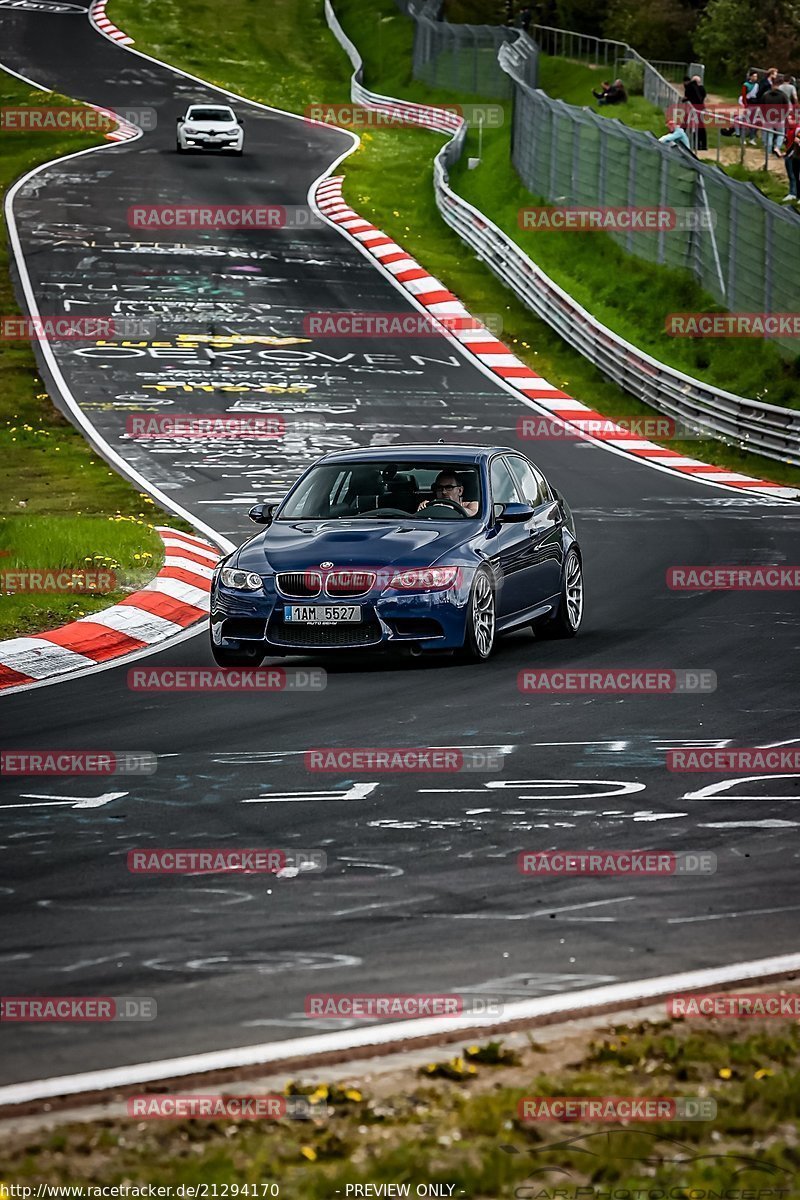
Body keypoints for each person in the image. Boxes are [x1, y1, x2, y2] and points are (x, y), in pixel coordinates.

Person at [683, 75, 707, 150]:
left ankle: (697, 143)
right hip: (700, 108)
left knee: (687, 124)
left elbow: (688, 97)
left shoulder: (690, 87)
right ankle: (702, 144)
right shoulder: (701, 88)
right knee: (700, 126)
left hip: (694, 108)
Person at [738, 70, 761, 145]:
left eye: (756, 76)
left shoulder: (757, 85)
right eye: (754, 76)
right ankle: (742, 138)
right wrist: (745, 105)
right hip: (748, 104)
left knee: (753, 122)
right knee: (746, 121)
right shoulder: (746, 84)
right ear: (750, 77)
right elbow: (744, 95)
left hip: (755, 104)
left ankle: (752, 138)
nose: (755, 78)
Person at [782, 115, 800, 201]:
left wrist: (789, 154)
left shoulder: (797, 130)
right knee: (791, 175)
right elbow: (787, 141)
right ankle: (793, 193)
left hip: (794, 156)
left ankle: (793, 193)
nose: (788, 121)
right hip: (789, 154)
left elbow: (795, 144)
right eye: (787, 119)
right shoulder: (788, 129)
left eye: (790, 119)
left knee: (794, 175)